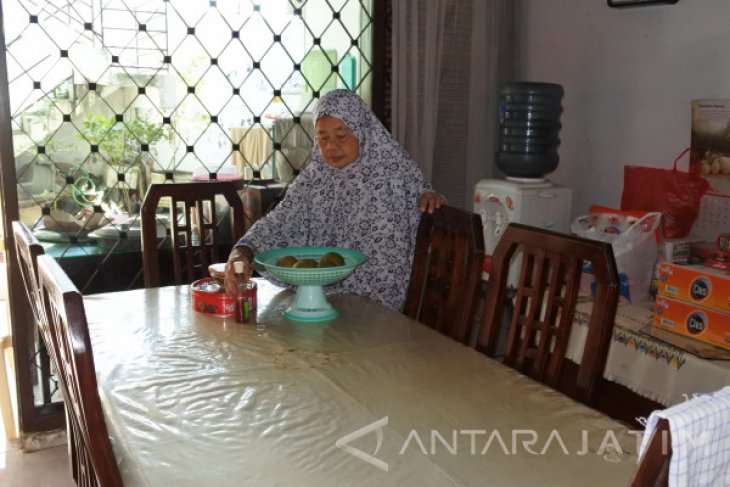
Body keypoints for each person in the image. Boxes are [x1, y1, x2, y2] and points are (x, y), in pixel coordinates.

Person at [224, 89, 443, 310]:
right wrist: (242, 251)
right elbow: (280, 221)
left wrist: (430, 199)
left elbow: (424, 201)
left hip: (382, 306)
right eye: (323, 137)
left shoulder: (394, 171)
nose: (331, 146)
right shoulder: (315, 178)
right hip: (321, 300)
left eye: (341, 136)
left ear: (362, 130)